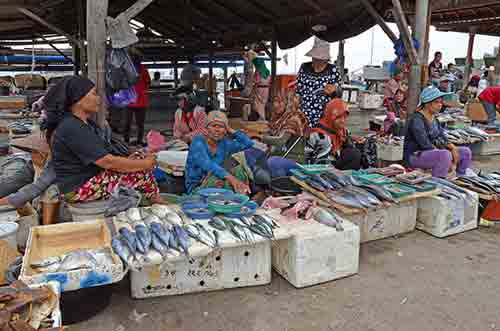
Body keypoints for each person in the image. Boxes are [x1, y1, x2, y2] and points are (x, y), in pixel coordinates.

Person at [45, 76, 162, 204]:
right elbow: (108, 162)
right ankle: (158, 202)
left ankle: (155, 200)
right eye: (94, 94)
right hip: (77, 189)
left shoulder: (84, 123)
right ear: (78, 99)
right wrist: (145, 164)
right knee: (141, 172)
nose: (99, 99)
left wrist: (135, 159)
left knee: (140, 157)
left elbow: (105, 155)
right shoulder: (71, 127)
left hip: (88, 178)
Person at [404, 87, 472, 178]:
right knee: (444, 155)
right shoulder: (417, 119)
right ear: (427, 104)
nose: (440, 105)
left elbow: (441, 135)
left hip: (433, 152)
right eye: (437, 102)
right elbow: (425, 144)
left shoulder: (434, 119)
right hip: (415, 155)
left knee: (465, 152)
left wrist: (453, 148)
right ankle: (438, 183)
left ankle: (460, 178)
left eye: (441, 102)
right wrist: (449, 161)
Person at [185, 111, 254, 194]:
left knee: (237, 167)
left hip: (219, 179)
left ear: (225, 130)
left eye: (221, 127)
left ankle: (240, 196)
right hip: (198, 186)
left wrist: (231, 130)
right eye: (213, 126)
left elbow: (249, 144)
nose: (217, 130)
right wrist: (232, 179)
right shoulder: (198, 142)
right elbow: (207, 164)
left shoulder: (225, 143)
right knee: (223, 179)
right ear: (207, 128)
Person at [296, 37, 341, 127]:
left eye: (320, 58)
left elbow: (339, 94)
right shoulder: (304, 67)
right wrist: (295, 107)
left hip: (323, 116)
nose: (316, 60)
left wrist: (334, 90)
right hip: (303, 113)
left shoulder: (332, 69)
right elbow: (298, 90)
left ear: (326, 59)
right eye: (315, 58)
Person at [311, 98, 362, 170]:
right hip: (320, 169)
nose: (343, 121)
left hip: (336, 165)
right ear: (330, 117)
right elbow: (320, 163)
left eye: (345, 117)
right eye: (339, 117)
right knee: (354, 154)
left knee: (356, 152)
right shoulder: (320, 135)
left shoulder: (342, 131)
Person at [123, 48, 151, 146]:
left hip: (132, 100)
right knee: (139, 124)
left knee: (129, 123)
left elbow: (123, 83)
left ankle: (127, 141)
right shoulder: (142, 69)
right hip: (138, 100)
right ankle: (137, 141)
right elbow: (148, 83)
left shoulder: (128, 69)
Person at [243, 51, 271, 121]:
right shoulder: (267, 71)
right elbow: (269, 81)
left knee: (257, 105)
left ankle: (261, 118)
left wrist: (252, 80)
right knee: (263, 105)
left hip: (259, 89)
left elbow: (256, 81)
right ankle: (262, 118)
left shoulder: (258, 71)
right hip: (266, 90)